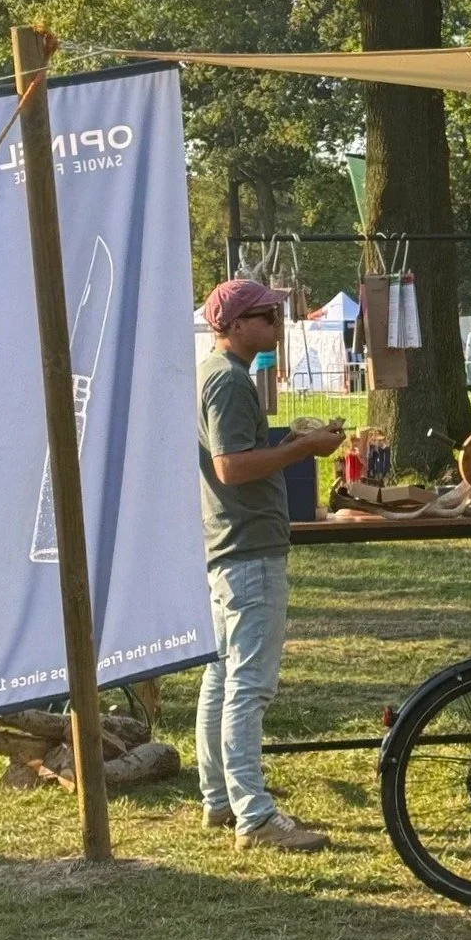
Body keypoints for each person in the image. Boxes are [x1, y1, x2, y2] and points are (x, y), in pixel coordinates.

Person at [196, 277, 345, 852]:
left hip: (228, 545)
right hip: (248, 550)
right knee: (248, 688)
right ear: (233, 325)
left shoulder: (216, 373)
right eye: (267, 317)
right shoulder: (230, 381)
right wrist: (303, 449)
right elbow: (233, 467)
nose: (277, 328)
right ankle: (254, 817)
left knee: (221, 678)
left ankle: (219, 800)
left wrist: (290, 440)